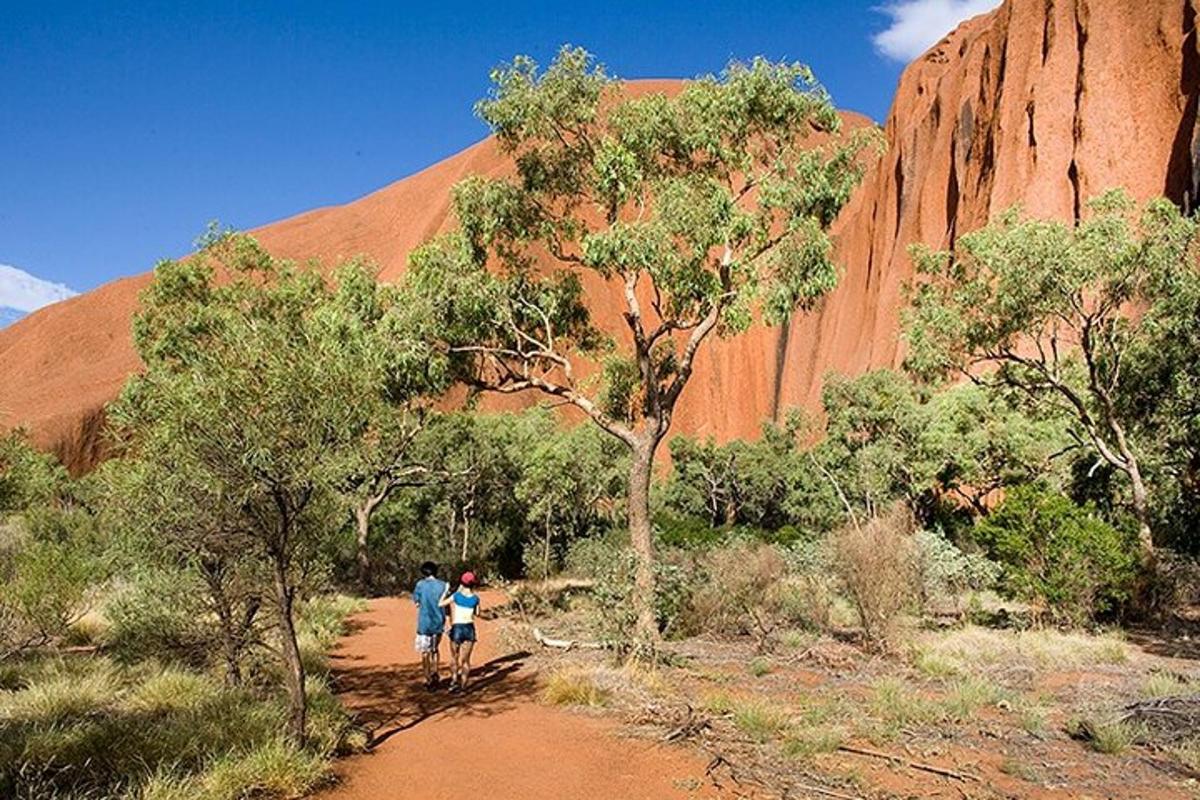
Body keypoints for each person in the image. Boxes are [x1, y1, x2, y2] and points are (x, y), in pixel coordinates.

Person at [439, 571, 481, 693]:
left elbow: (440, 603)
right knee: (466, 660)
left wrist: (445, 592)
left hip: (457, 628)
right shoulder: (475, 598)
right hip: (469, 629)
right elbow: (477, 613)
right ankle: (463, 686)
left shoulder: (456, 596)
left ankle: (453, 681)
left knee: (454, 657)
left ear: (462, 582)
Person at [411, 561, 448, 689]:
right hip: (439, 622)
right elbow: (446, 604)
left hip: (424, 623)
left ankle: (428, 678)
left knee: (425, 651)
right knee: (435, 649)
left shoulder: (420, 585)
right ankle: (435, 672)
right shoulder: (443, 585)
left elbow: (417, 603)